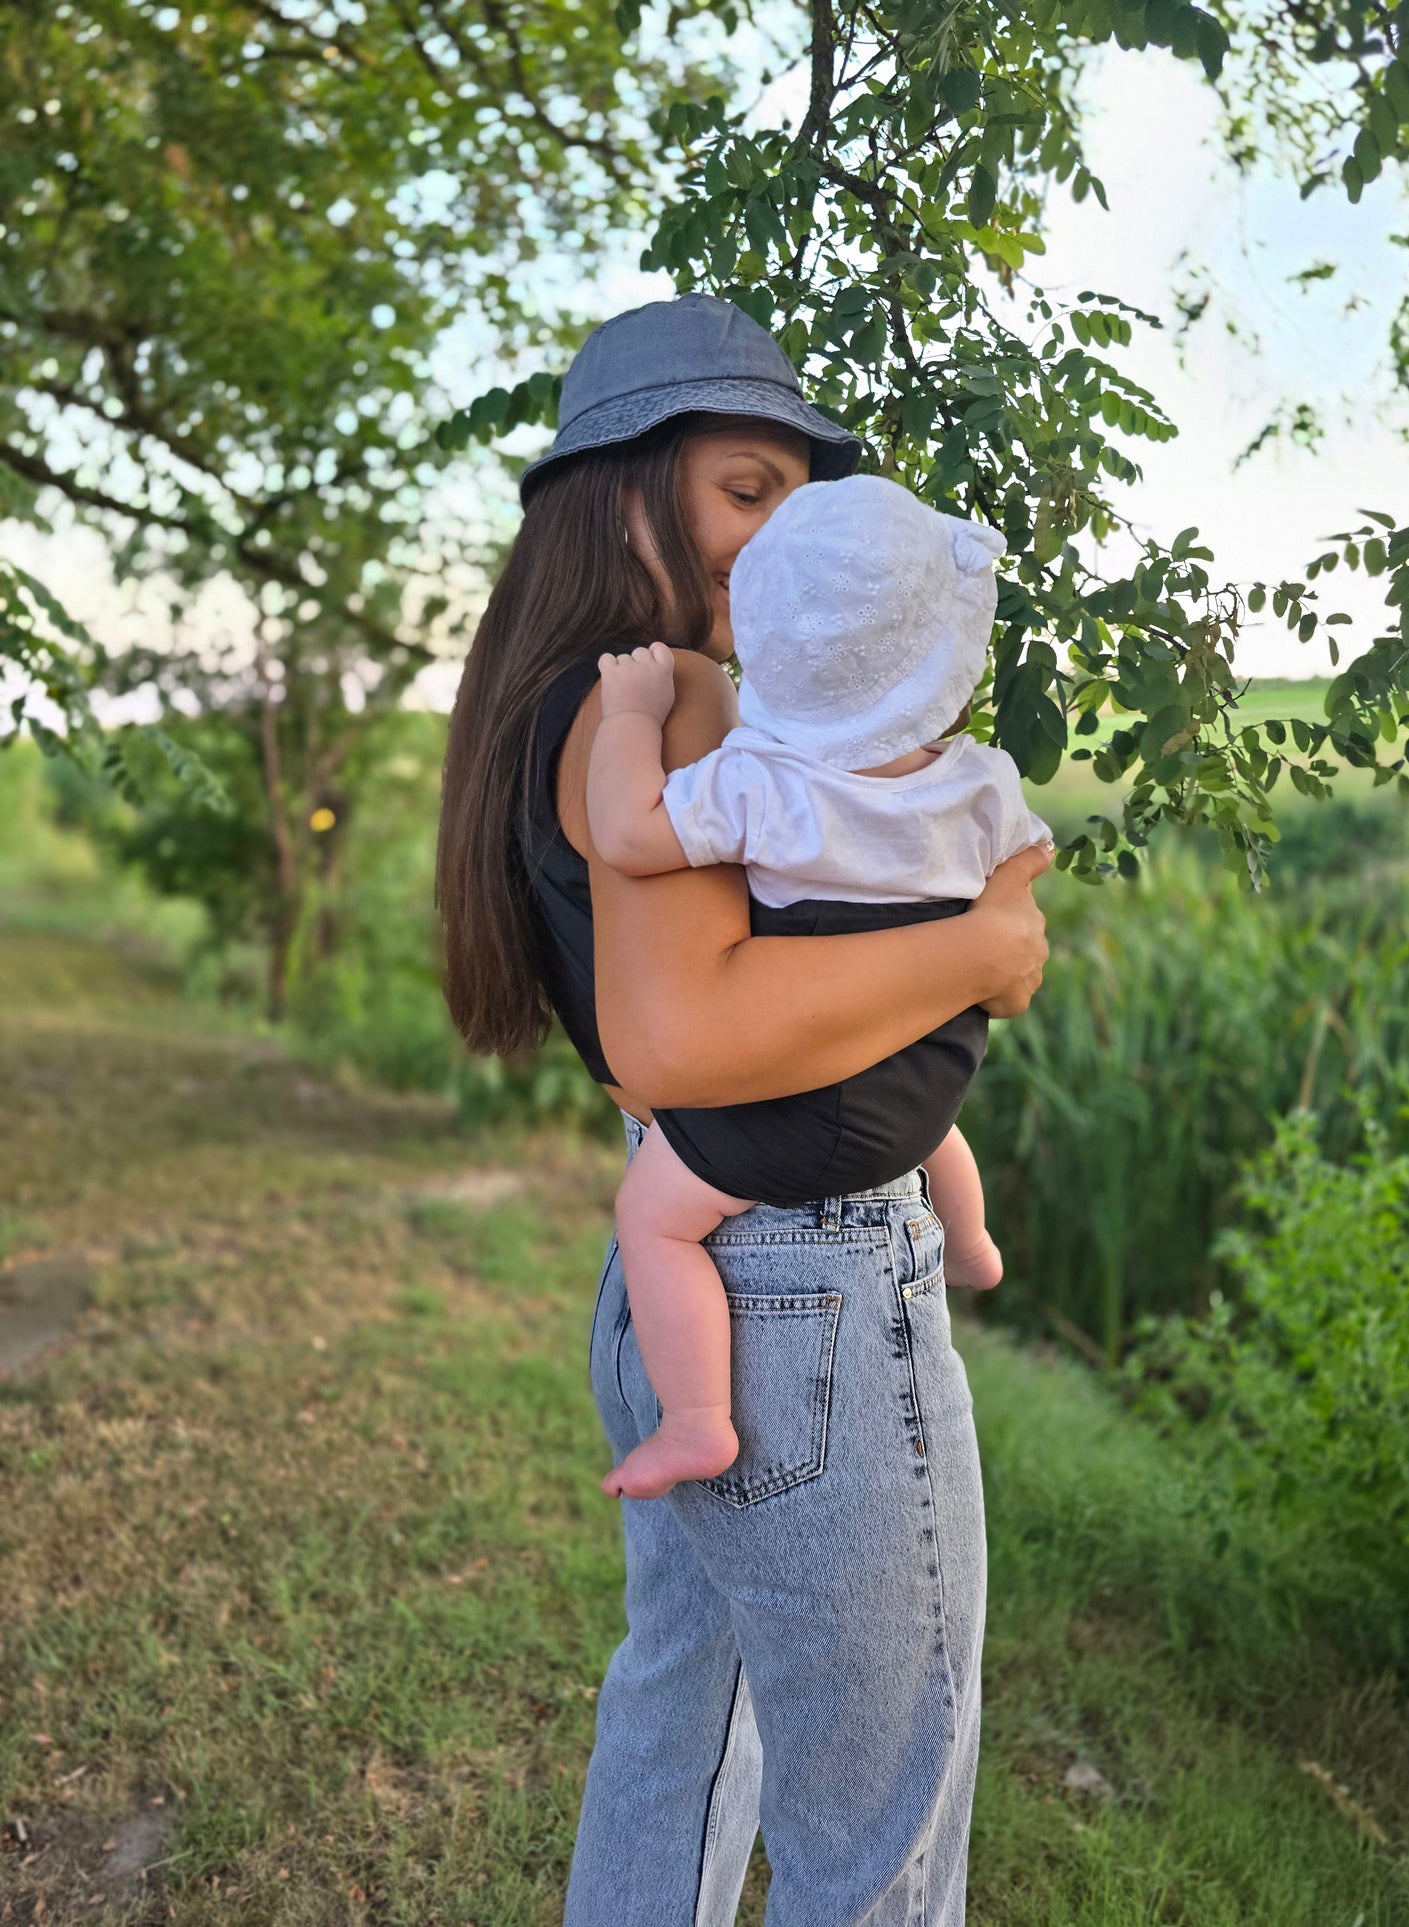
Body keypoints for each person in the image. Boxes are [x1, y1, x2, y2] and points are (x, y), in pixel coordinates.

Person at [435, 292, 1050, 1926]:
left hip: (696, 1272)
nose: (778, 537)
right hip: (810, 1282)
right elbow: (678, 1039)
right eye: (745, 487)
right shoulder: (679, 702)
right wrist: (978, 943)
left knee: (685, 1728)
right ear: (620, 492)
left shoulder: (561, 703)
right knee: (881, 1826)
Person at [586, 474, 1052, 1501]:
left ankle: (697, 1420)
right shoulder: (982, 779)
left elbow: (626, 832)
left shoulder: (759, 781)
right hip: (931, 1065)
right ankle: (968, 1240)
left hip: (802, 1102)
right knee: (921, 1107)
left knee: (653, 1215)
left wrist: (629, 715)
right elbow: (1022, 882)